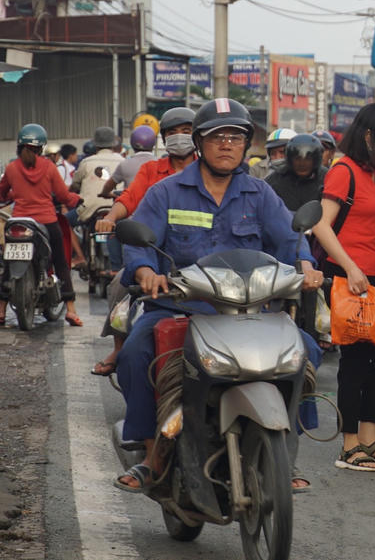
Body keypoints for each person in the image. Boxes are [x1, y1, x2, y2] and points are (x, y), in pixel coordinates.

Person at [112, 98, 324, 493]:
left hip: (249, 312)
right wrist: (145, 272)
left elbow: (290, 240)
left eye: (236, 136)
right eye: (217, 136)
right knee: (136, 352)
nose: (227, 144)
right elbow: (139, 242)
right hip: (182, 307)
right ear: (198, 143)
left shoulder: (260, 194)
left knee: (307, 351)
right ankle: (151, 452)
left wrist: (306, 266)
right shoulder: (166, 192)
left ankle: (285, 451)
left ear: (246, 145)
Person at [311, 103, 375, 472]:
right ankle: (349, 446)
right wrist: (351, 267)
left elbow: (370, 219)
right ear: (367, 135)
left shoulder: (374, 172)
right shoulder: (343, 171)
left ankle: (369, 440)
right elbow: (322, 225)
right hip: (348, 277)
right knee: (356, 363)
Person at [91, 107, 196, 377]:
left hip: (199, 259)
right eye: (172, 133)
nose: (179, 137)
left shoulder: (209, 171)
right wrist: (111, 217)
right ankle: (118, 345)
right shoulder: (151, 170)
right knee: (119, 284)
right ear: (163, 139)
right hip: (155, 254)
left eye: (186, 132)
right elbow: (128, 199)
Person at [0, 124, 85, 327]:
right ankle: (71, 310)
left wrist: (12, 196)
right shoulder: (49, 167)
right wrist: (76, 199)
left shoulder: (12, 168)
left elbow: (2, 193)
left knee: (8, 265)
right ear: (42, 147)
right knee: (61, 262)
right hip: (46, 221)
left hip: (18, 222)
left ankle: (1, 309)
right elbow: (63, 195)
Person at [71, 126, 124, 222]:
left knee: (65, 222)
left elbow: (75, 184)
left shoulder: (86, 162)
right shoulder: (123, 162)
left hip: (88, 211)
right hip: (117, 210)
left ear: (95, 144)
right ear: (113, 144)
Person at [266, 133, 327, 213]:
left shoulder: (328, 178)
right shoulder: (275, 179)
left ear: (316, 160)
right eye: (297, 159)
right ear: (290, 159)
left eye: (308, 159)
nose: (302, 164)